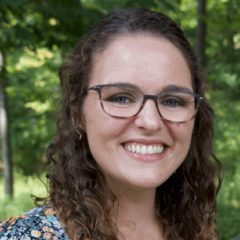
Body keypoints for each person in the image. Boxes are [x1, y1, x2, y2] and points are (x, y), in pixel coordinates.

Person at [0, 8, 221, 240]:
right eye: (121, 98)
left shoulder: (198, 232)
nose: (151, 121)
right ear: (78, 113)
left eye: (173, 101)